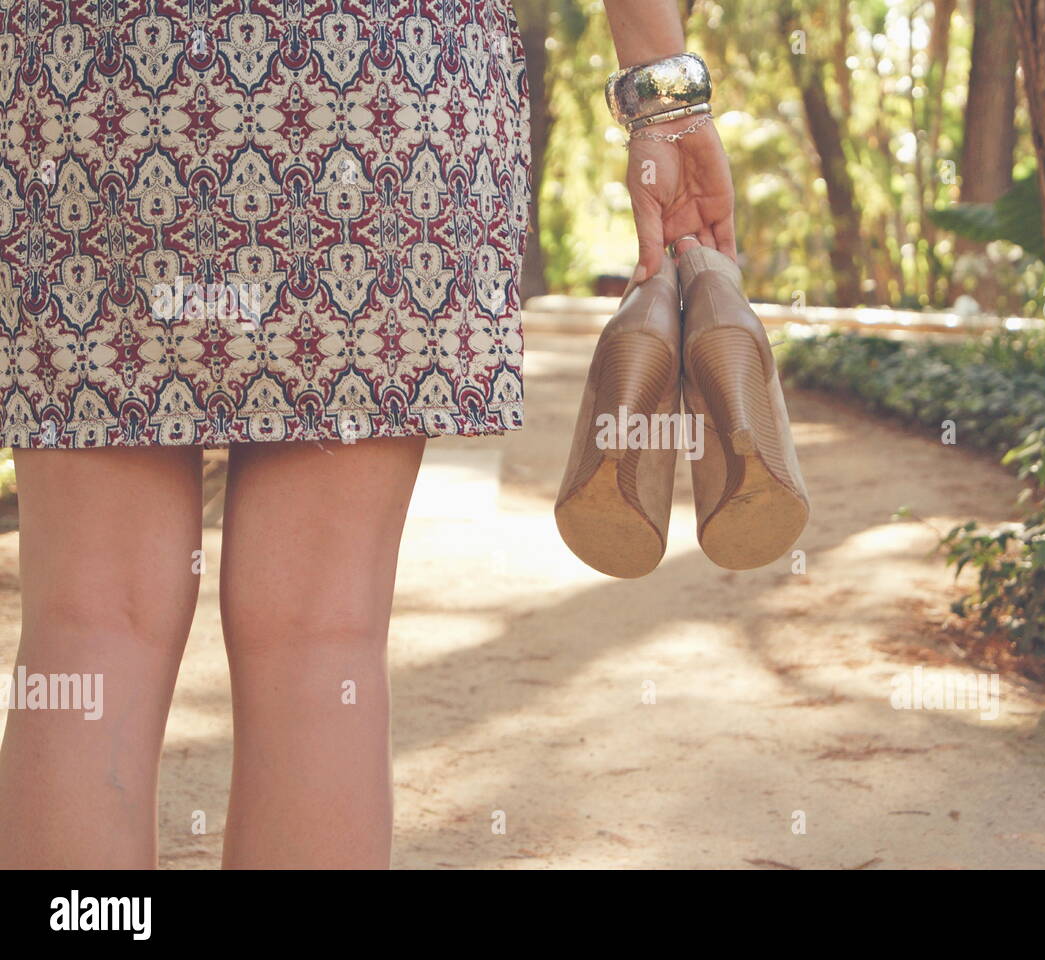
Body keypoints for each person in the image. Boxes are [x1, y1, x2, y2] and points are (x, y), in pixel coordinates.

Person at [0, 1, 735, 868]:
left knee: (91, 625)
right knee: (322, 635)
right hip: (385, 83)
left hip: (97, 73)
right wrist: (665, 102)